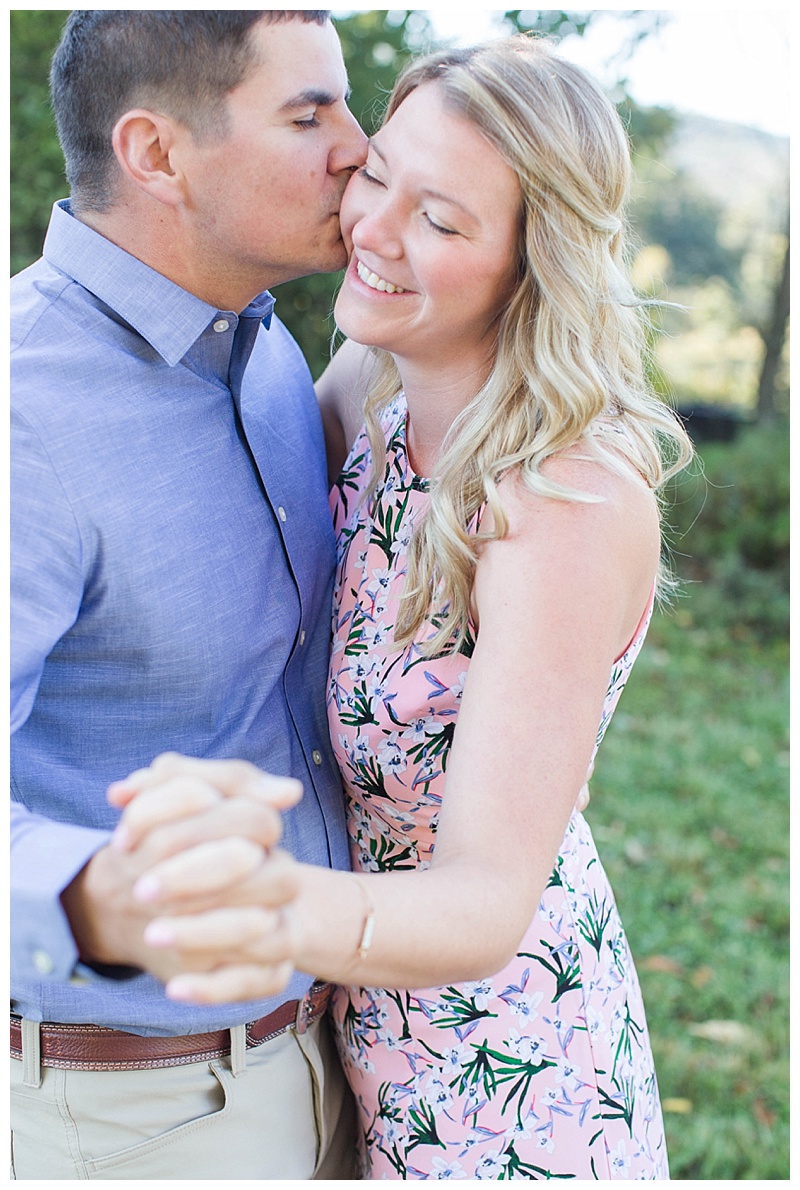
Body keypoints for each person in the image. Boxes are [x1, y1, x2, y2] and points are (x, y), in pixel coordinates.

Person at [110, 34, 694, 1180]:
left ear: (532, 263)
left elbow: (482, 902)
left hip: (505, 1086)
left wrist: (246, 898)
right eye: (377, 174)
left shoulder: (561, 499)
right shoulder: (373, 380)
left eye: (440, 220)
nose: (372, 230)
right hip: (354, 1045)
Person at [10, 9, 369, 1180]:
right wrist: (92, 899)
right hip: (129, 1115)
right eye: (307, 115)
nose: (358, 147)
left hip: (334, 1061)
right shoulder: (21, 415)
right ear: (157, 154)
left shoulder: (268, 358)